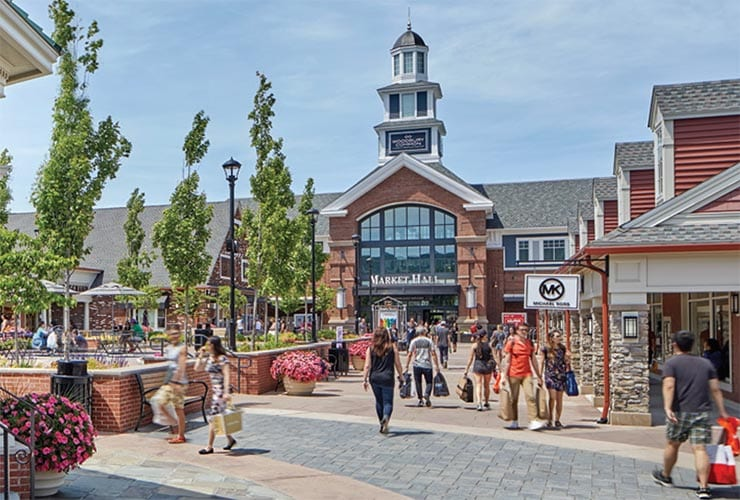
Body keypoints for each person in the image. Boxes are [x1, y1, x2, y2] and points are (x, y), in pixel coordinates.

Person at [652, 330, 729, 500]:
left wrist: (667, 407)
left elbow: (669, 386)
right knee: (700, 449)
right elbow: (715, 389)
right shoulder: (705, 363)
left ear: (675, 344)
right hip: (701, 412)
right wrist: (723, 411)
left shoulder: (672, 364)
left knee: (673, 444)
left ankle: (666, 475)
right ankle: (703, 487)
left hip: (679, 412)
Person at [195, 336, 236, 454]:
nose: (207, 346)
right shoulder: (210, 358)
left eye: (209, 344)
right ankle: (230, 439)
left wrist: (227, 392)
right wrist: (201, 355)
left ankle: (209, 446)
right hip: (215, 391)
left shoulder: (222, 359)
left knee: (213, 419)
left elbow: (227, 374)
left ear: (214, 345)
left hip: (220, 392)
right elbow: (197, 368)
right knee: (220, 418)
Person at [501, 322, 545, 430]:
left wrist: (539, 375)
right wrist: (503, 376)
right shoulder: (511, 343)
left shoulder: (529, 343)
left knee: (530, 396)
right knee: (513, 398)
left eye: (526, 330)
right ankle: (514, 420)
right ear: (516, 330)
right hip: (513, 373)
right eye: (522, 330)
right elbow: (507, 360)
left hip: (527, 373)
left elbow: (533, 359)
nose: (524, 332)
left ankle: (533, 420)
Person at [151, 325, 189, 444]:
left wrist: (176, 382)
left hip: (178, 382)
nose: (175, 336)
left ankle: (180, 435)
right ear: (168, 335)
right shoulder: (169, 347)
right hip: (170, 381)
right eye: (172, 333)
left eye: (177, 333)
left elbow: (181, 366)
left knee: (179, 409)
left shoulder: (182, 348)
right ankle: (174, 426)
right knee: (157, 401)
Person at [362, 327, 404, 434]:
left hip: (374, 378)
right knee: (388, 402)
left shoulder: (370, 349)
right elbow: (398, 364)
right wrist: (401, 376)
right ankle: (386, 417)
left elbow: (367, 365)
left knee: (379, 401)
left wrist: (364, 379)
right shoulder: (392, 348)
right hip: (388, 377)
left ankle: (381, 423)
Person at [539, 330, 570, 428]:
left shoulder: (562, 348)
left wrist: (568, 358)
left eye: (559, 336)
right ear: (552, 338)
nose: (559, 338)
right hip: (550, 375)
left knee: (559, 399)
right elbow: (542, 362)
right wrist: (539, 375)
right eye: (557, 336)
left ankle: (557, 420)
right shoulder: (546, 349)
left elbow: (566, 361)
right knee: (552, 398)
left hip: (561, 375)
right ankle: (549, 419)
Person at [405, 325, 440, 407]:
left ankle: (420, 399)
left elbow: (409, 354)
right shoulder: (429, 341)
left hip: (417, 364)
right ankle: (427, 394)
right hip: (427, 364)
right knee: (429, 382)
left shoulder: (414, 341)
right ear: (424, 332)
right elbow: (433, 353)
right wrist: (437, 365)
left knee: (418, 382)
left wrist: (406, 365)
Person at [463, 330, 495, 411]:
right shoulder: (490, 345)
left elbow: (470, 359)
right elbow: (495, 357)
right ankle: (486, 402)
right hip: (487, 366)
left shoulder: (474, 345)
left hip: (478, 365)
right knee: (486, 385)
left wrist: (466, 369)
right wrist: (499, 368)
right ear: (484, 336)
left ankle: (479, 403)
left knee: (478, 384)